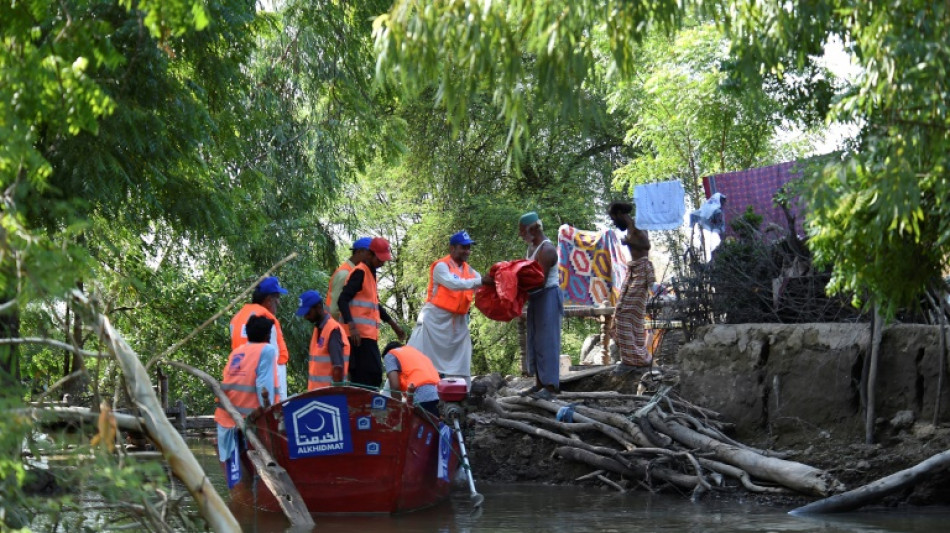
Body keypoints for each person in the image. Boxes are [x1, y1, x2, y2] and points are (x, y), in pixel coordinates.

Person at [496, 212, 563, 400]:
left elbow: (539, 280)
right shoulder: (532, 248)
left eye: (522, 231)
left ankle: (550, 387)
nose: (521, 235)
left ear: (534, 229)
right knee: (536, 339)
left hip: (547, 295)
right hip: (536, 297)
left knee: (548, 341)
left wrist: (514, 288)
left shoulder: (547, 249)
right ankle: (539, 384)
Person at [407, 230, 482, 386]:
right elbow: (453, 284)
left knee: (462, 356)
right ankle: (409, 390)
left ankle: (461, 391)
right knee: (418, 355)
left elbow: (482, 286)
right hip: (434, 319)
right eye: (463, 247)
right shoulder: (441, 266)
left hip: (458, 321)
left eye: (469, 248)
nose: (467, 251)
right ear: (452, 248)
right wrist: (480, 282)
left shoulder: (470, 271)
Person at [337, 237, 407, 388]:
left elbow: (375, 305)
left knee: (372, 375)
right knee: (369, 374)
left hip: (368, 335)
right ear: (369, 254)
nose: (382, 263)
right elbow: (342, 300)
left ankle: (364, 405)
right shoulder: (360, 273)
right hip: (357, 336)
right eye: (379, 259)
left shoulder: (371, 273)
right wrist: (352, 326)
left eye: (384, 260)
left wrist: (393, 325)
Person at [215, 315, 277, 464]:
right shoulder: (267, 350)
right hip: (246, 422)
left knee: (236, 474)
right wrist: (267, 412)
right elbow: (264, 384)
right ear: (267, 335)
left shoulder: (237, 352)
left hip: (224, 418)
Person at [608, 201, 656, 371]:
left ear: (620, 213)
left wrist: (628, 243)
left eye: (613, 218)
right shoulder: (631, 228)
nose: (614, 222)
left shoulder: (635, 226)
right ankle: (633, 358)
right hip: (634, 271)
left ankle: (635, 360)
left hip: (641, 271)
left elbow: (646, 245)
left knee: (624, 314)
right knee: (627, 315)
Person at [229, 276, 289, 401]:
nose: (278, 302)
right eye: (277, 298)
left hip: (241, 387)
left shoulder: (236, 319)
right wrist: (281, 402)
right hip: (264, 391)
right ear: (268, 299)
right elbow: (273, 361)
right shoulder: (266, 321)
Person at [296, 289, 350, 389]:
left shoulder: (333, 330)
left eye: (308, 313)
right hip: (316, 396)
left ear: (318, 307)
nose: (306, 317)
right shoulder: (318, 330)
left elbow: (338, 367)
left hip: (328, 398)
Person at [382, 341, 441, 416]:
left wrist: (398, 410)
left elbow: (395, 387)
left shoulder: (390, 355)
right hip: (439, 395)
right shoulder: (416, 353)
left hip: (421, 397)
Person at [326, 237, 373, 321]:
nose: (372, 258)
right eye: (370, 254)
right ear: (359, 252)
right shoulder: (345, 274)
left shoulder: (356, 272)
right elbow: (334, 310)